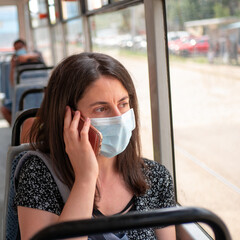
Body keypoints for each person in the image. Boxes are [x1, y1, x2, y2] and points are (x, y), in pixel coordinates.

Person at [15, 52, 176, 240]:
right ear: (68, 118)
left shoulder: (156, 177)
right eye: (101, 109)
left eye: (123, 104)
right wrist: (86, 178)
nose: (118, 117)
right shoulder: (39, 174)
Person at [0, 39, 44, 125]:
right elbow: (13, 84)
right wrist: (13, 66)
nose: (19, 50)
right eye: (16, 49)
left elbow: (36, 56)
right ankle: (15, 128)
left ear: (25, 47)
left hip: (38, 96)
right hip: (21, 96)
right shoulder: (14, 64)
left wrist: (25, 58)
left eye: (20, 47)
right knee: (4, 109)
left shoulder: (37, 58)